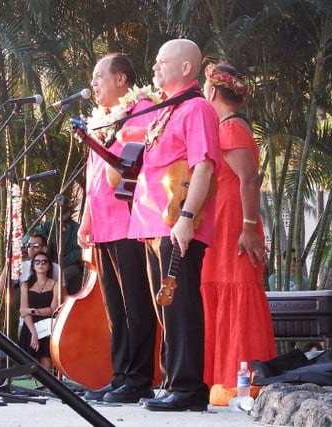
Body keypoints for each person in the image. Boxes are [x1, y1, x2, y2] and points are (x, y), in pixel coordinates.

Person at [128, 39, 220, 412]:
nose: (155, 67)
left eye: (162, 61)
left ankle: (188, 387)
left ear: (185, 67)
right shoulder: (168, 109)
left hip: (177, 222)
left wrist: (186, 218)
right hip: (153, 223)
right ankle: (172, 382)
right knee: (165, 305)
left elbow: (204, 166)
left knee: (179, 304)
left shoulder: (197, 108)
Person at [79, 53, 157, 403]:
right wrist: (85, 217)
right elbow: (93, 175)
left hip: (129, 220)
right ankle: (120, 375)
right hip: (102, 223)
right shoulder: (102, 118)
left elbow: (136, 162)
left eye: (99, 76)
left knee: (135, 304)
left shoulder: (141, 109)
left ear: (121, 79)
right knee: (114, 307)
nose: (93, 83)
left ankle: (139, 379)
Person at [199, 63, 276, 404]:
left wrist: (248, 226)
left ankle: (237, 380)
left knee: (235, 290)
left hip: (234, 225)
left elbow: (249, 179)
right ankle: (216, 379)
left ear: (213, 90)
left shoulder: (230, 127)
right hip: (222, 225)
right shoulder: (226, 126)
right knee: (218, 291)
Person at [18, 251, 60, 372]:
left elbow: (53, 310)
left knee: (47, 367)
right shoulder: (25, 285)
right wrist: (33, 333)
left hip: (47, 327)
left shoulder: (55, 285)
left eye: (44, 262)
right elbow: (23, 311)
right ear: (33, 266)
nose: (40, 264)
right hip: (30, 327)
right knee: (30, 366)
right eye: (37, 262)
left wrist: (32, 311)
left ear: (49, 266)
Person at [33, 196, 83, 295]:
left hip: (69, 265)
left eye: (64, 209)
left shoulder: (76, 228)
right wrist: (40, 245)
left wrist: (59, 263)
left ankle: (60, 301)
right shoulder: (49, 225)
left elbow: (78, 253)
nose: (61, 212)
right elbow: (31, 235)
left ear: (69, 210)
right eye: (59, 209)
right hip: (49, 263)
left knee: (61, 275)